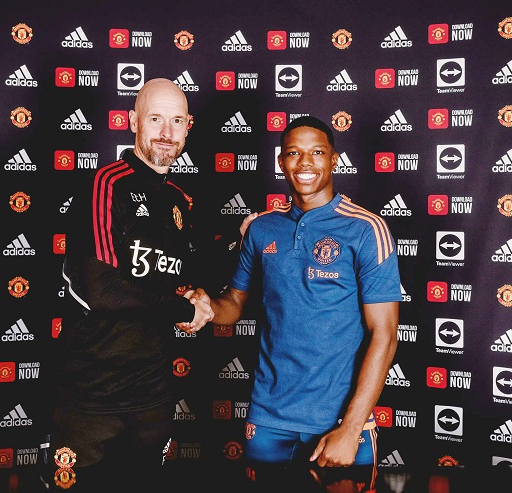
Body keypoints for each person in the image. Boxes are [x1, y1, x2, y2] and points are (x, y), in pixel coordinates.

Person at [189, 115, 400, 487]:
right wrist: (206, 309)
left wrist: (351, 428)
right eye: (293, 153)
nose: (305, 163)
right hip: (269, 418)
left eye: (317, 152)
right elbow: (234, 302)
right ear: (280, 161)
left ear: (334, 160)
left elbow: (384, 335)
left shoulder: (366, 228)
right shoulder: (262, 228)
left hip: (338, 423)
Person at [45, 78, 231, 489]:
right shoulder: (106, 184)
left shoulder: (179, 199)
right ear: (133, 122)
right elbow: (102, 290)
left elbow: (190, 271)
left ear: (188, 128)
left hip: (151, 393)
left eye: (176, 121)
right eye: (155, 119)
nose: (166, 132)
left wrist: (242, 236)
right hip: (91, 394)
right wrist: (185, 308)